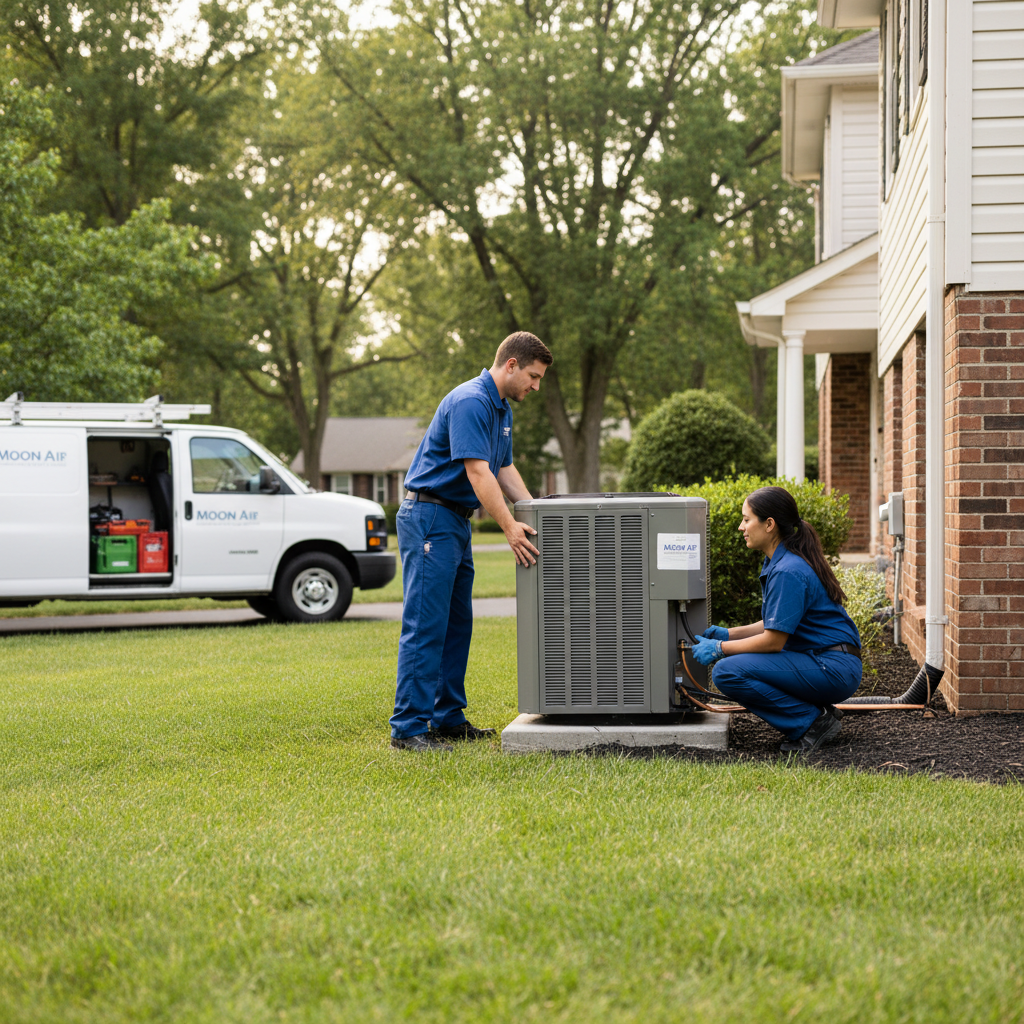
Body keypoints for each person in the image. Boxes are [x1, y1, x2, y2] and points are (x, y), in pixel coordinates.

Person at [390, 331, 553, 752]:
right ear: (511, 364)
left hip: (453, 523)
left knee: (456, 624)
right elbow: (478, 472)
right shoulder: (471, 401)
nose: (536, 387)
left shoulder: (500, 409)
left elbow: (504, 469)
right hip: (430, 517)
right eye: (533, 377)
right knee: (427, 623)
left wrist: (536, 513)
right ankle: (408, 728)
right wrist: (509, 527)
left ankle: (447, 718)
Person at [690, 485, 862, 753]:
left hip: (832, 666)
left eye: (746, 520)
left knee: (727, 671)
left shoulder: (787, 570)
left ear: (769, 524)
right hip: (827, 661)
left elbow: (773, 641)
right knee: (732, 666)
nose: (740, 527)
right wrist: (728, 633)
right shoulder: (781, 562)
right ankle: (813, 714)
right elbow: (779, 622)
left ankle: (813, 722)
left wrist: (719, 649)